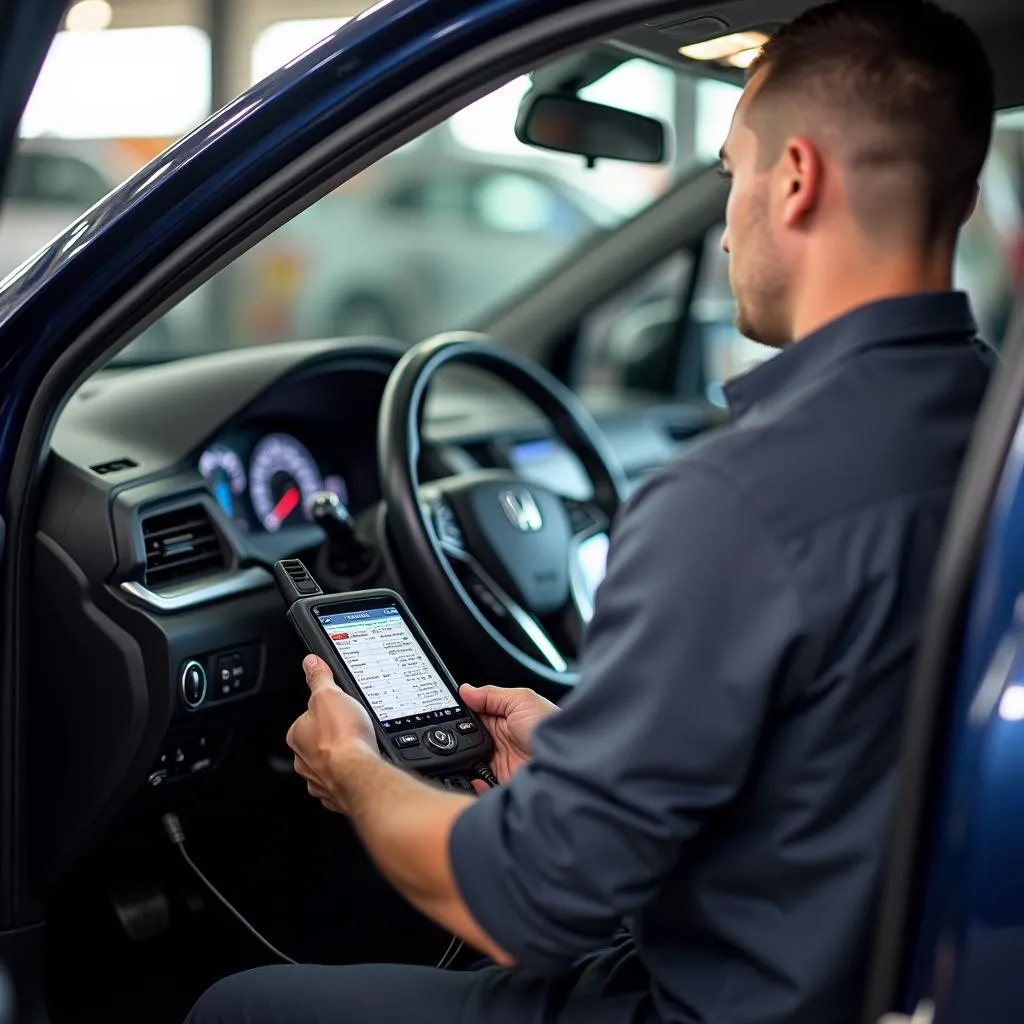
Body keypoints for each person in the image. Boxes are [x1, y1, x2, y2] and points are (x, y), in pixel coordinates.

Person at [186, 1, 997, 1021]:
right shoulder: (994, 436)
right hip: (880, 970)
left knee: (240, 1005)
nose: (730, 206)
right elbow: (850, 741)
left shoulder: (734, 502)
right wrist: (593, 752)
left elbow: (520, 902)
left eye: (731, 171)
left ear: (793, 179)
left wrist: (354, 769)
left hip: (708, 1000)